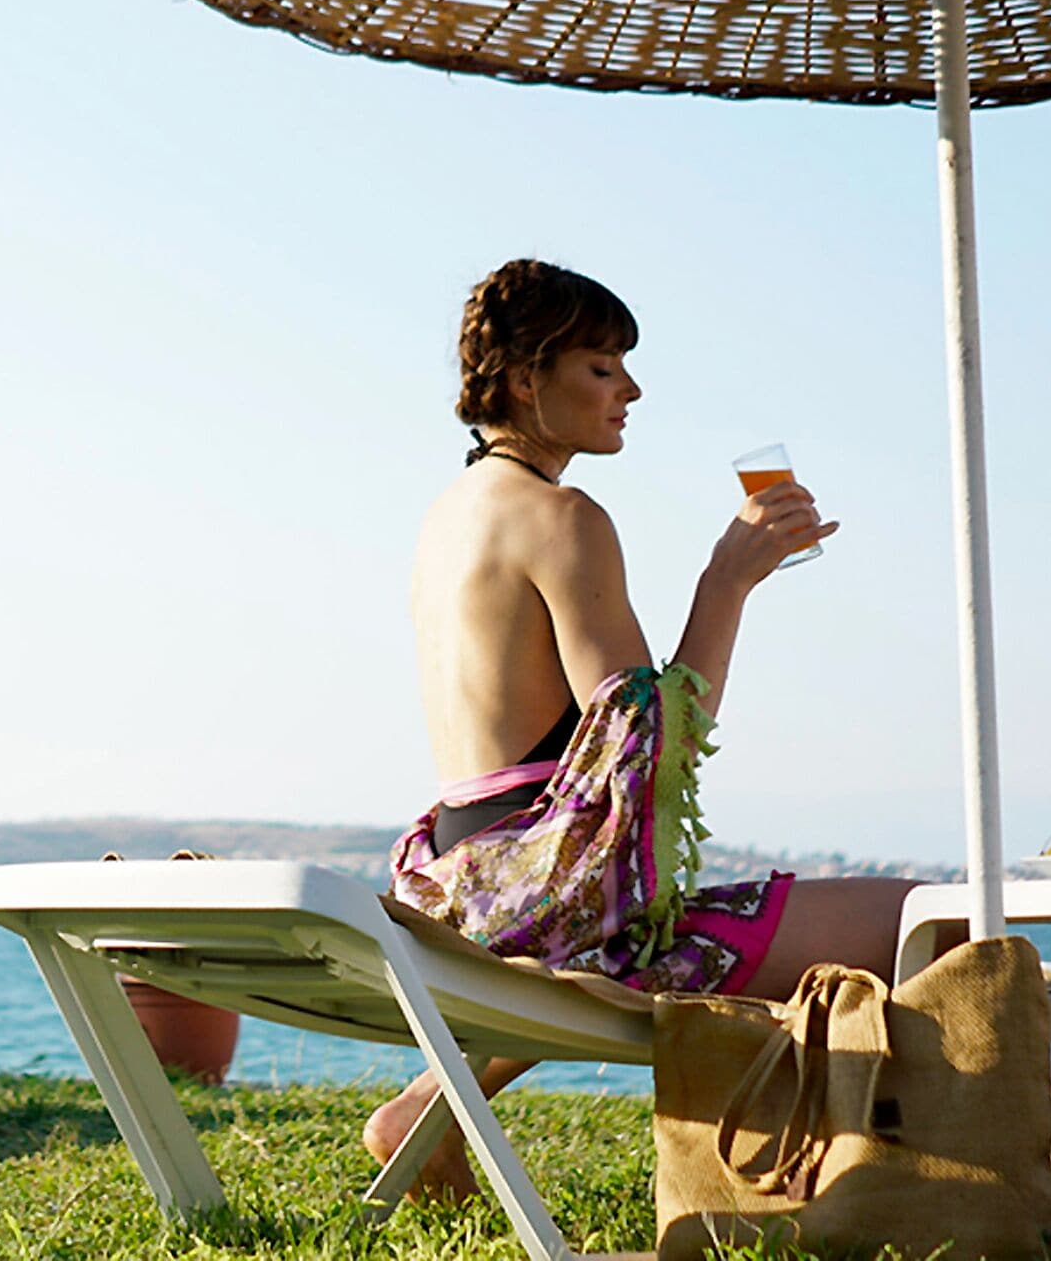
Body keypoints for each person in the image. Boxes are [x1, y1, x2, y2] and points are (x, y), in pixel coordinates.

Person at [363, 258, 934, 1200]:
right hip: (553, 899)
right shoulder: (563, 516)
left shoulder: (452, 514)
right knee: (930, 917)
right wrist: (730, 578)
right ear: (522, 378)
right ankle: (872, 1187)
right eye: (601, 366)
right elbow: (653, 746)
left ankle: (430, 1106)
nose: (631, 390)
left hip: (466, 876)